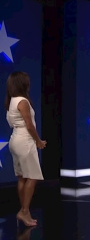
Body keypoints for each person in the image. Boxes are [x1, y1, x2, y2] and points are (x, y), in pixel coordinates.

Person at [4, 71, 46, 227]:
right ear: (23, 84)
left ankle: (25, 212)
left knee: (22, 177)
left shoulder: (11, 101)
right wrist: (38, 141)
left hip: (15, 141)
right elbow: (29, 125)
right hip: (25, 141)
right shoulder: (23, 102)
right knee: (33, 176)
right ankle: (24, 210)